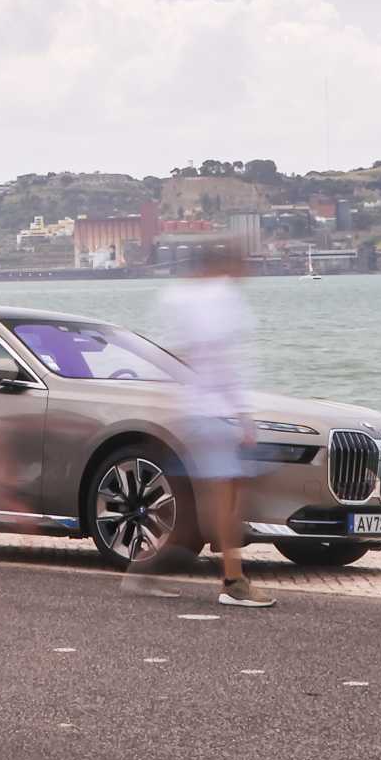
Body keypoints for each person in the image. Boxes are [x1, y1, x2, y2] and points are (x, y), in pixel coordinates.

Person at [138, 242, 276, 608]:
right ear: (228, 265)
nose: (247, 272)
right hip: (213, 415)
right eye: (243, 264)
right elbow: (225, 363)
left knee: (211, 502)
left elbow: (175, 354)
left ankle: (148, 570)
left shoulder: (180, 296)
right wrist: (243, 414)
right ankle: (233, 582)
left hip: (197, 411)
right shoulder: (221, 298)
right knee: (227, 504)